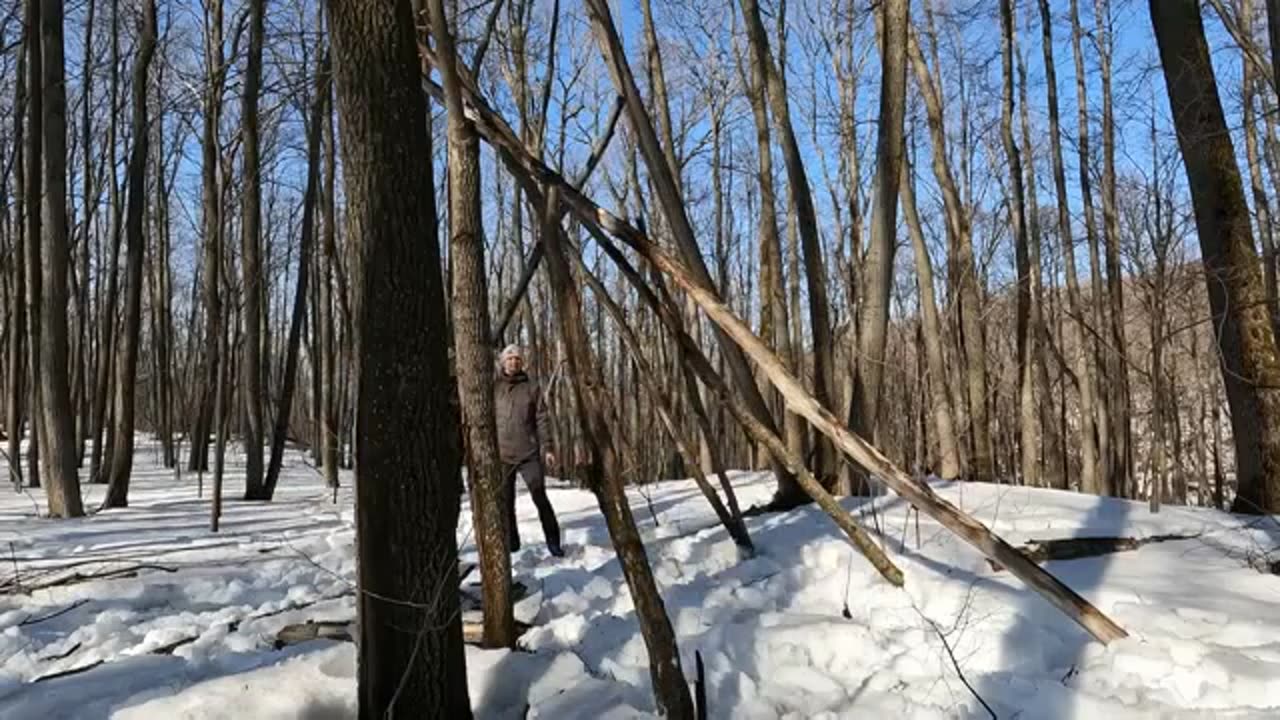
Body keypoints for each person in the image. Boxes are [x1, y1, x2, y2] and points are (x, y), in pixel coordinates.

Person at [495, 344, 563, 557]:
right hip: (502, 455)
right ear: (503, 362)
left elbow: (542, 418)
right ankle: (512, 543)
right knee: (506, 503)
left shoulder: (532, 387)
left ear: (521, 363)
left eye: (517, 359)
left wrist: (548, 447)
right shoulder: (493, 387)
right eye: (510, 359)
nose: (513, 362)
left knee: (539, 497)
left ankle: (553, 542)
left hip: (528, 453)